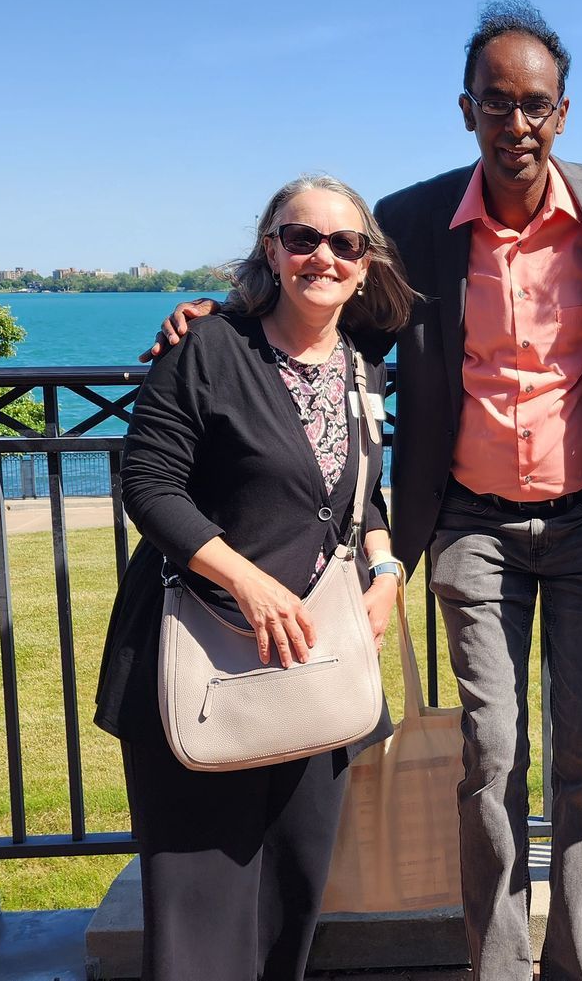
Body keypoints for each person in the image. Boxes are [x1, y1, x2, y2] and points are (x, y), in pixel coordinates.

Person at [142, 0, 582, 981]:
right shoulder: (420, 221)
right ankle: (501, 970)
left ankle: (577, 970)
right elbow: (338, 312)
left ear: (563, 113)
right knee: (493, 758)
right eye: (497, 103)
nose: (518, 123)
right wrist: (224, 313)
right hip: (472, 524)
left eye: (537, 105)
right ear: (465, 109)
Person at [95, 174, 416, 980]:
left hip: (315, 669)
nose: (323, 257)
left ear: (367, 262)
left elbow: (356, 495)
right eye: (302, 237)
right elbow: (149, 483)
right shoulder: (209, 347)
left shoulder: (361, 368)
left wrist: (386, 566)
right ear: (271, 248)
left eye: (345, 244)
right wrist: (244, 578)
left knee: (293, 900)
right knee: (201, 918)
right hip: (206, 662)